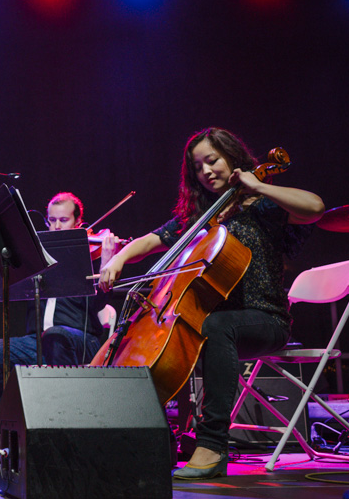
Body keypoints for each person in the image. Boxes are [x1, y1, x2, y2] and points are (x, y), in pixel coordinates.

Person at [97, 127, 324, 480]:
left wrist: (259, 185)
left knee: (217, 326)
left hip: (266, 319)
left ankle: (213, 444)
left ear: (233, 157)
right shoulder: (201, 219)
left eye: (212, 160)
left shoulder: (264, 206)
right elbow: (153, 240)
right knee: (201, 329)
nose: (206, 171)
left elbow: (315, 208)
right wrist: (119, 259)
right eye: (197, 167)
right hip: (214, 325)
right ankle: (145, 437)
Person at [0, 192, 116, 420]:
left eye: (64, 220)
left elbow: (99, 303)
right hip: (37, 341)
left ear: (79, 222)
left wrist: (108, 261)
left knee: (55, 336)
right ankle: (5, 430)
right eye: (52, 220)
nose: (56, 226)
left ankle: (66, 423)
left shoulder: (92, 256)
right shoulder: (36, 256)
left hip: (81, 340)